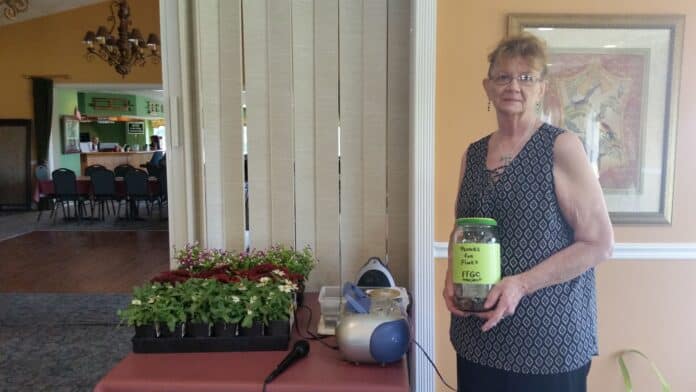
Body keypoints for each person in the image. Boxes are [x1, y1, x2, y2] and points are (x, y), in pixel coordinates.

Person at [443, 32, 614, 392]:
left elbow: (598, 243)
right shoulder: (472, 155)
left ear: (542, 88)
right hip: (479, 337)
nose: (513, 86)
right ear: (488, 88)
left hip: (547, 342)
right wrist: (450, 276)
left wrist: (521, 284)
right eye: (503, 77)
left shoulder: (561, 147)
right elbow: (463, 228)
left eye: (526, 77)